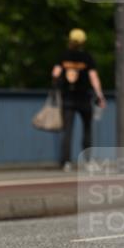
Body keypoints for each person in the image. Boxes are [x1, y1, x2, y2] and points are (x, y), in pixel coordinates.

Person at [51, 28, 106, 171]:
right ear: (83, 42)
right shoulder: (86, 57)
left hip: (67, 97)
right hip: (84, 98)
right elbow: (93, 78)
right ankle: (87, 161)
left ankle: (66, 162)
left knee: (67, 130)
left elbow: (55, 74)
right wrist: (99, 95)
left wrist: (58, 84)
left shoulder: (64, 55)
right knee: (87, 129)